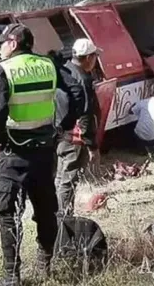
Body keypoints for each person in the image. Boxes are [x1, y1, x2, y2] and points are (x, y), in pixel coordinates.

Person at [0, 23, 85, 286]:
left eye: (2, 42)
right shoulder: (48, 65)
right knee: (45, 210)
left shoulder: (2, 70)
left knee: (8, 212)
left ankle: (11, 276)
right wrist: (63, 127)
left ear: (14, 43)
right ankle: (45, 266)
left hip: (14, 152)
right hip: (44, 151)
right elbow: (77, 92)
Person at [54, 38, 100, 218]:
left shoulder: (65, 70)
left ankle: (59, 214)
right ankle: (65, 217)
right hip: (75, 138)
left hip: (61, 133)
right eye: (95, 56)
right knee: (68, 180)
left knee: (60, 178)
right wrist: (92, 145)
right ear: (88, 57)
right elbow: (86, 115)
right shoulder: (83, 79)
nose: (96, 60)